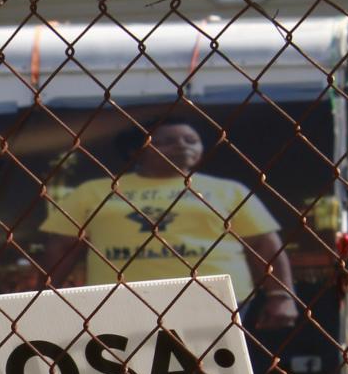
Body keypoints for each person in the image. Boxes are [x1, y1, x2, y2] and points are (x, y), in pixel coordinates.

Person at [37, 116, 298, 329]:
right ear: (136, 150)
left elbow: (264, 244)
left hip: (215, 299)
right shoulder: (94, 191)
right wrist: (43, 299)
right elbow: (61, 247)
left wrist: (281, 295)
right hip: (122, 300)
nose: (182, 146)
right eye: (168, 141)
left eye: (191, 141)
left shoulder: (229, 191)